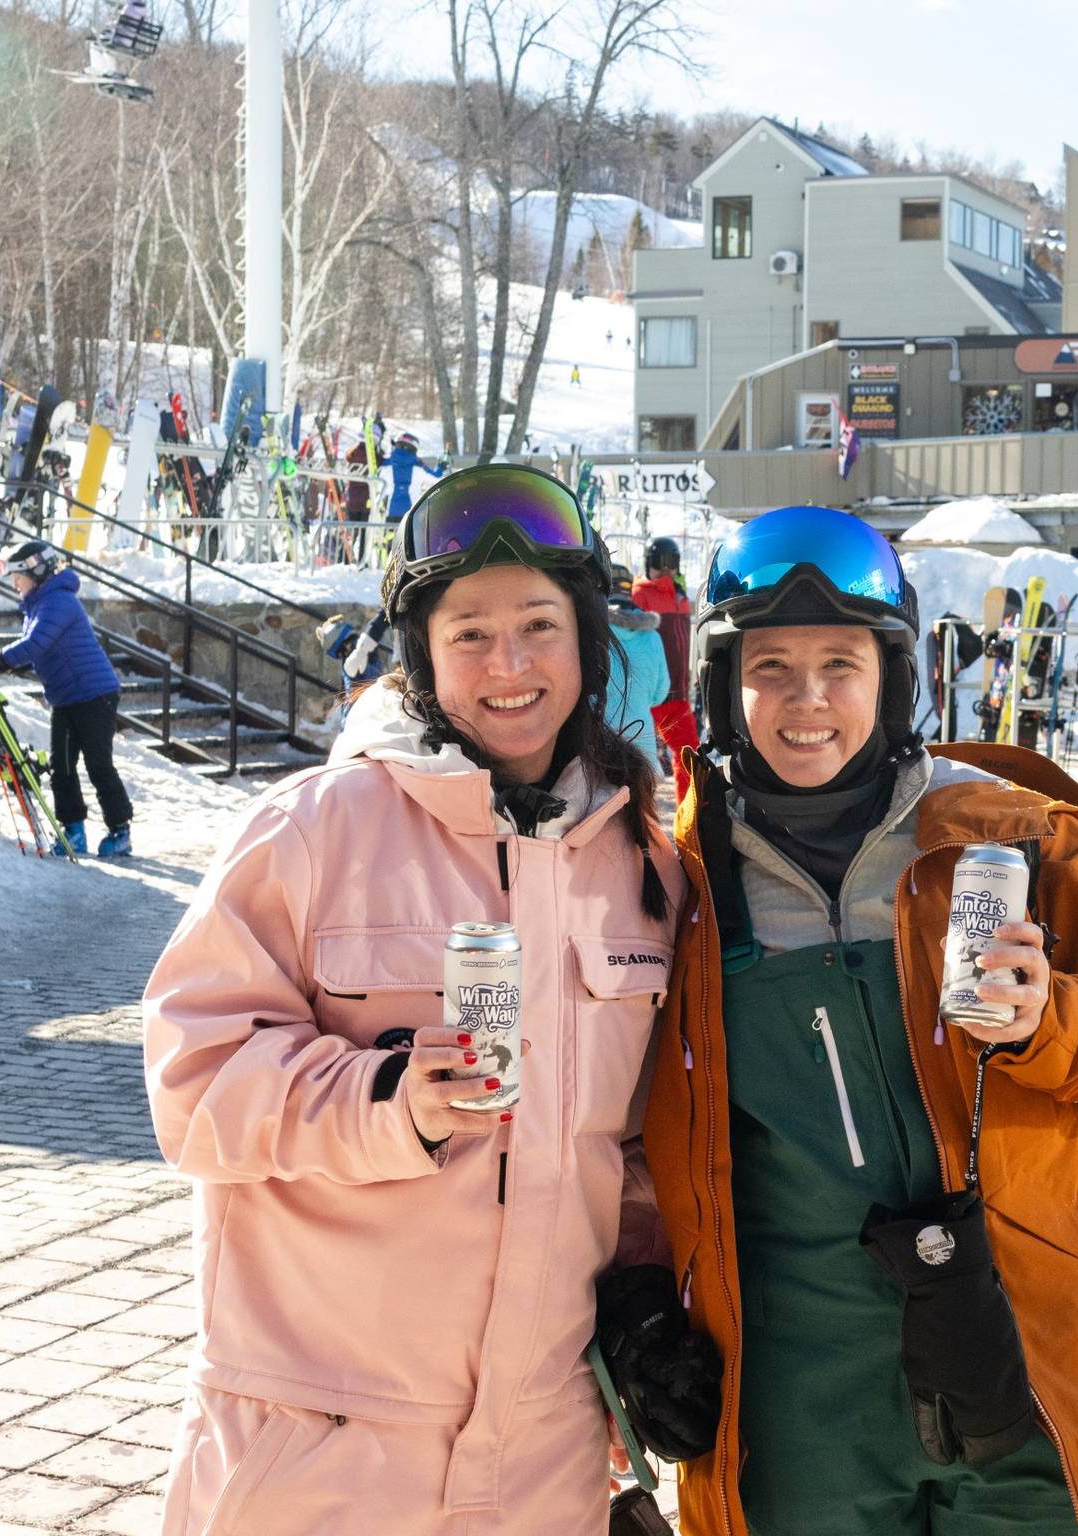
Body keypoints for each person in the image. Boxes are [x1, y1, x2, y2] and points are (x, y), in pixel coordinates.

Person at [143, 465, 693, 1535]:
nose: (510, 665)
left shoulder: (641, 865)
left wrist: (638, 1299)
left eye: (539, 626)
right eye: (470, 633)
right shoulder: (312, 830)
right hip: (321, 1449)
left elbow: (635, 1149)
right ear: (423, 655)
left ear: (587, 642)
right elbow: (193, 1081)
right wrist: (389, 1099)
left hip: (544, 1461)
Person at [642, 504, 1078, 1536]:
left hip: (1034, 1361)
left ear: (893, 678)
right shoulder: (676, 882)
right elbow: (629, 1128)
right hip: (803, 1402)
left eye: (841, 665)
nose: (807, 700)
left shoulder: (1010, 833)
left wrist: (1050, 1020)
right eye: (770, 667)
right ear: (721, 686)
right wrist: (639, 1304)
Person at [0, 540, 132, 858]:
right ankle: (74, 831)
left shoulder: (59, 601)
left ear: (36, 572)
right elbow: (39, 649)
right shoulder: (38, 604)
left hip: (95, 694)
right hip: (65, 697)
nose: (15, 584)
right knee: (62, 766)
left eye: (18, 576)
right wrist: (7, 666)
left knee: (98, 764)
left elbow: (35, 643)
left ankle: (120, 831)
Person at [630, 535, 699, 803]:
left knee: (690, 757)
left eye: (672, 562)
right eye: (661, 562)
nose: (667, 568)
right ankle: (638, 818)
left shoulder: (681, 598)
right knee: (639, 762)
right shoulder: (640, 595)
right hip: (649, 694)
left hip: (677, 694)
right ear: (649, 563)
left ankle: (688, 816)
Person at [604, 564, 670, 761]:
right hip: (643, 745)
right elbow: (660, 694)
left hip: (599, 744)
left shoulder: (591, 631)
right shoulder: (653, 637)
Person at [385, 431, 444, 526]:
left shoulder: (385, 464)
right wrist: (441, 467)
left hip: (388, 514)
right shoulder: (419, 467)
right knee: (406, 535)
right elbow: (437, 477)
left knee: (389, 534)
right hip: (410, 514)